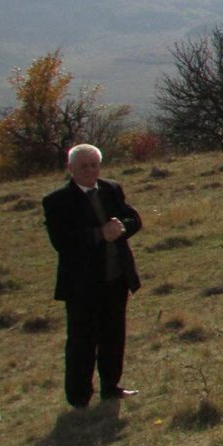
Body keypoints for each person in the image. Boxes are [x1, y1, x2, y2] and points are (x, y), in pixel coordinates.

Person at [43, 144, 141, 408]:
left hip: (115, 278)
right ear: (70, 169)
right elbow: (62, 242)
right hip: (82, 285)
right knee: (82, 342)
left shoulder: (111, 189)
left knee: (113, 336)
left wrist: (123, 228)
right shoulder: (56, 201)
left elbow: (133, 219)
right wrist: (99, 234)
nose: (89, 170)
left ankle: (111, 387)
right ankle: (79, 397)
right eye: (83, 166)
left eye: (93, 165)